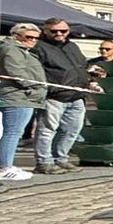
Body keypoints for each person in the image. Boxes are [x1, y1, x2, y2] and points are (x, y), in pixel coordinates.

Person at [33, 21, 97, 175]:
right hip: (54, 96)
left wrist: (90, 76)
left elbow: (82, 65)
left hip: (77, 95)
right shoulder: (39, 47)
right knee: (47, 130)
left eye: (63, 31)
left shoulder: (71, 46)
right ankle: (44, 162)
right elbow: (36, 71)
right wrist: (50, 89)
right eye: (54, 31)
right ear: (45, 31)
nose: (59, 34)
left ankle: (60, 158)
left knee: (72, 130)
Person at [0, 23, 47, 182]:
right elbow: (16, 72)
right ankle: (4, 168)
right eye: (29, 37)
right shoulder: (12, 49)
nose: (33, 40)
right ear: (16, 36)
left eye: (36, 38)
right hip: (18, 96)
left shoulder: (21, 50)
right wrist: (35, 86)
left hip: (24, 96)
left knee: (14, 131)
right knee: (13, 132)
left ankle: (5, 165)